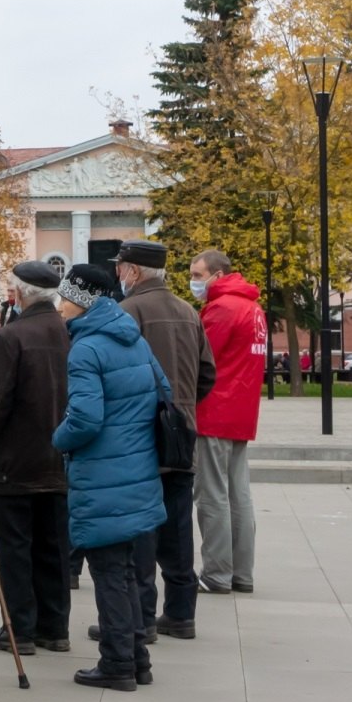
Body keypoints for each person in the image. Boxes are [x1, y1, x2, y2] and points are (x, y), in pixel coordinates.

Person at [52, 264, 167, 692]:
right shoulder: (131, 337)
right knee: (128, 570)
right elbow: (164, 392)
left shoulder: (86, 349)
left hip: (102, 473)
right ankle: (137, 657)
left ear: (78, 303)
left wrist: (58, 438)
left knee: (108, 573)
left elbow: (84, 418)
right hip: (137, 467)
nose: (58, 306)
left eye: (63, 298)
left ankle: (117, 663)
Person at [108, 240, 214, 640]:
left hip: (139, 436)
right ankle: (181, 613)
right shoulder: (189, 312)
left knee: (140, 527)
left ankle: (141, 616)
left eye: (121, 268)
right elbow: (208, 374)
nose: (119, 275)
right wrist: (181, 408)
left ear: (133, 272)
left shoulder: (127, 312)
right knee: (178, 525)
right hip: (181, 432)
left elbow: (116, 375)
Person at [0, 260, 72, 656]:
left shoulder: (10, 337)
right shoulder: (71, 333)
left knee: (16, 548)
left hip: (16, 461)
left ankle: (20, 627)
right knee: (53, 545)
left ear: (19, 293)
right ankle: (55, 626)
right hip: (62, 459)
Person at [190, 250, 265, 595]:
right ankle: (242, 572)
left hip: (214, 411)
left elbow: (200, 360)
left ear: (217, 274)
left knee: (212, 495)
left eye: (198, 273)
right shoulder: (253, 308)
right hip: (241, 411)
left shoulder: (221, 309)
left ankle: (217, 573)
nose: (194, 280)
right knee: (239, 494)